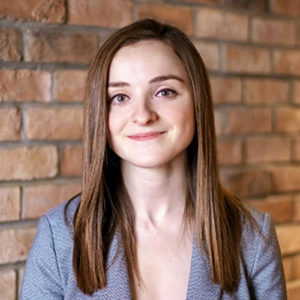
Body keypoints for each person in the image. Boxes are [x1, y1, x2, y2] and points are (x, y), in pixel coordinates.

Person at [21, 19, 287, 300]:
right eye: (120, 97)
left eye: (164, 92)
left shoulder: (253, 237)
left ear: (198, 102)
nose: (143, 115)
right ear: (101, 114)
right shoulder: (59, 236)